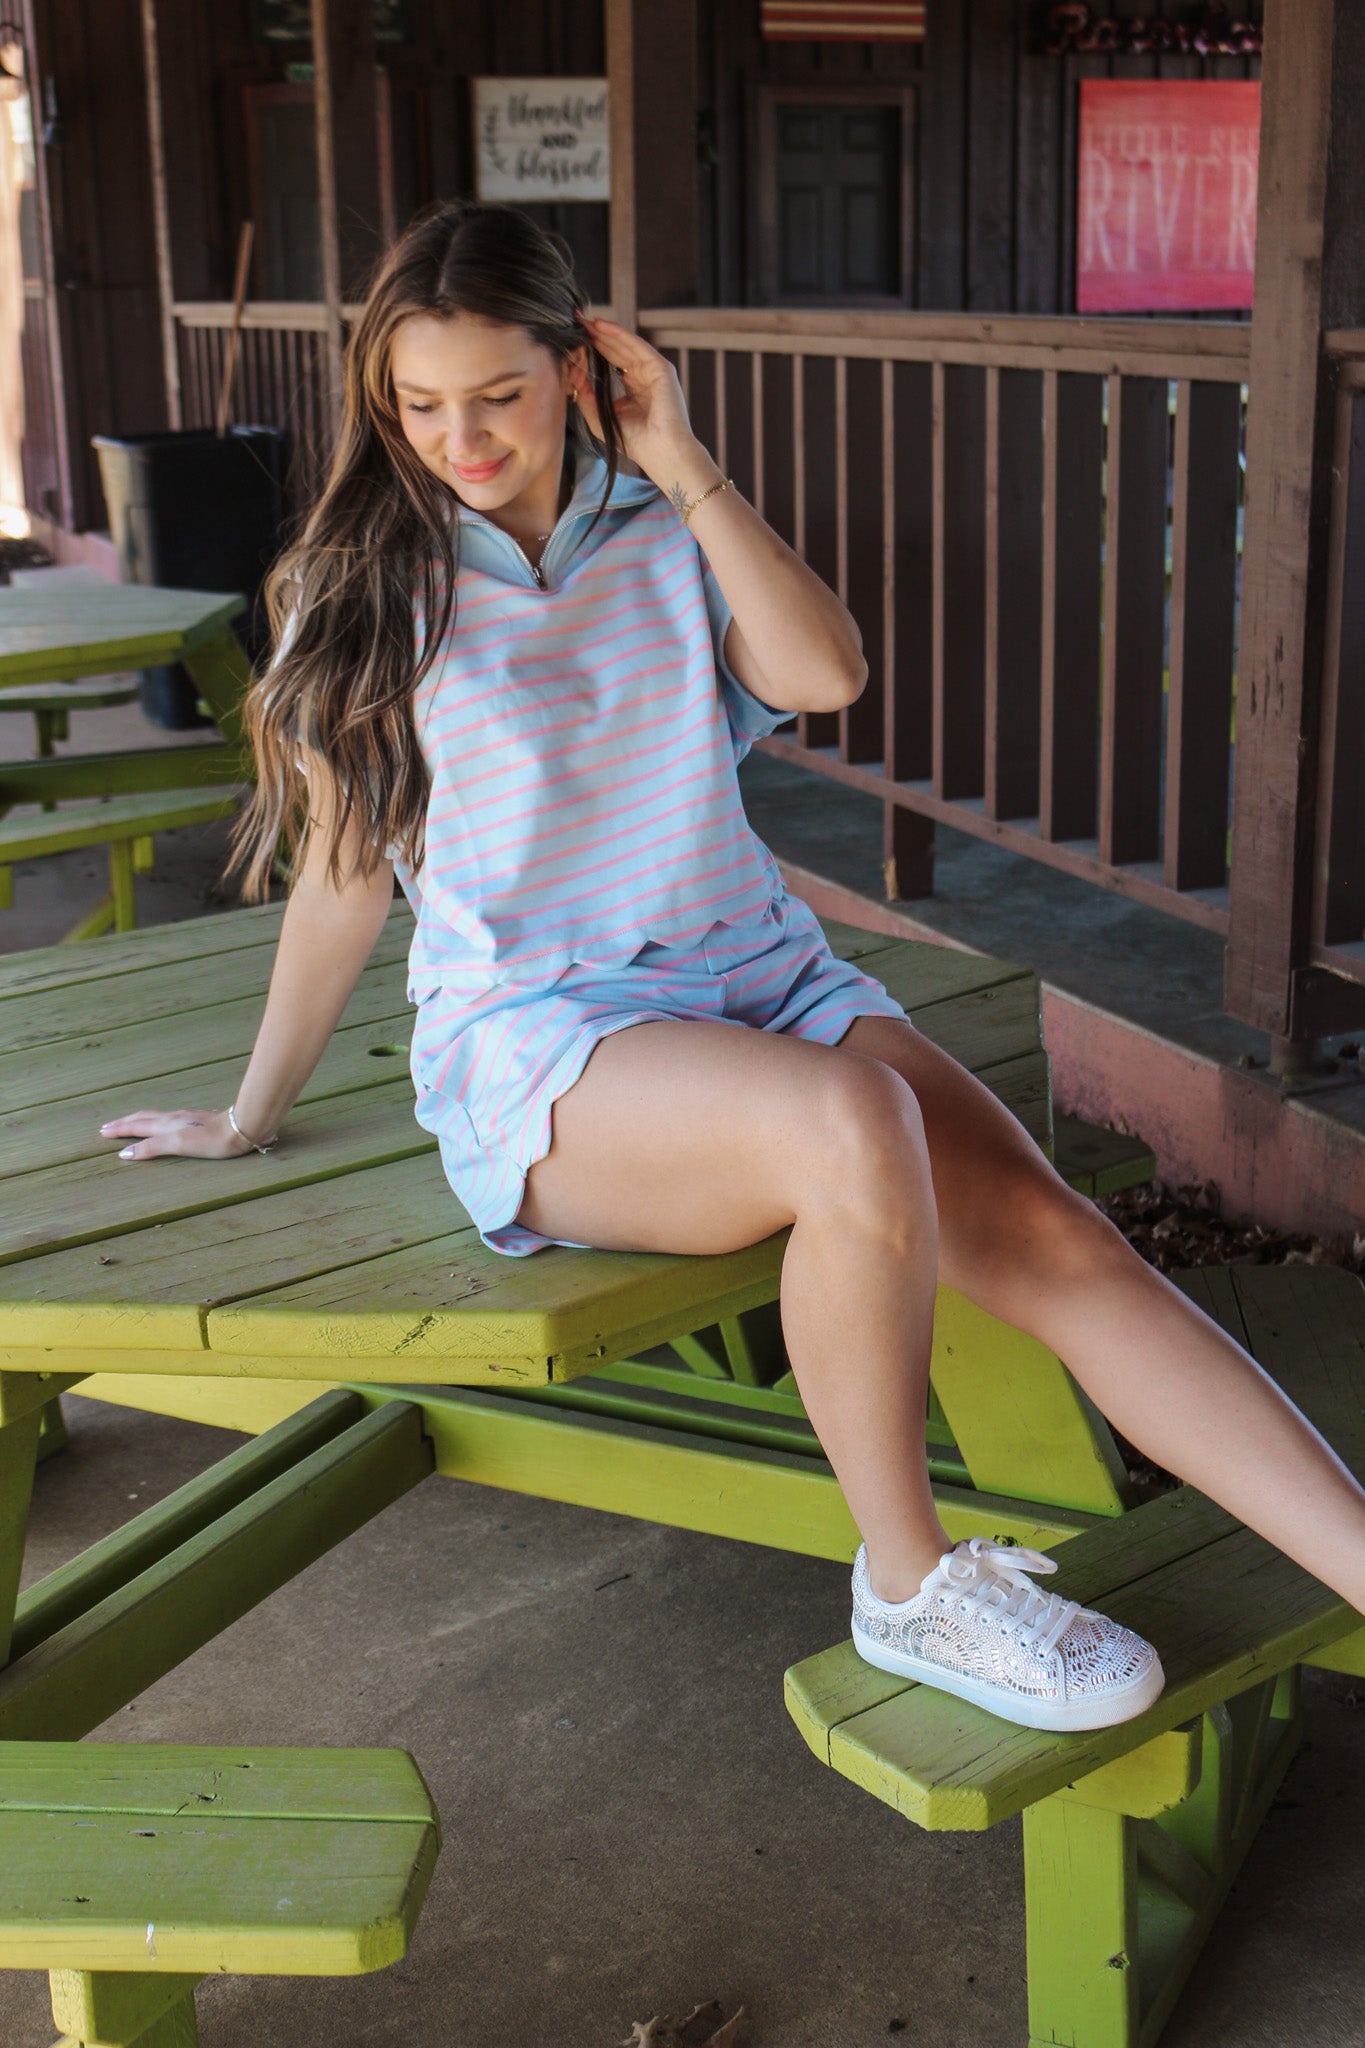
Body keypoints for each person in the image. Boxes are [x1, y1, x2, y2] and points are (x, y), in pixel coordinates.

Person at [100, 200, 1365, 1735]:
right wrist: (247, 1111)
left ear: (579, 368)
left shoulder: (661, 529)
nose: (461, 438)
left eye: (498, 394)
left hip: (762, 982)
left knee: (1058, 1240)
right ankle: (907, 1588)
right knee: (852, 1127)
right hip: (549, 1046)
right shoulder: (357, 582)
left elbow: (824, 673)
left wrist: (685, 463)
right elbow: (345, 887)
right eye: (419, 406)